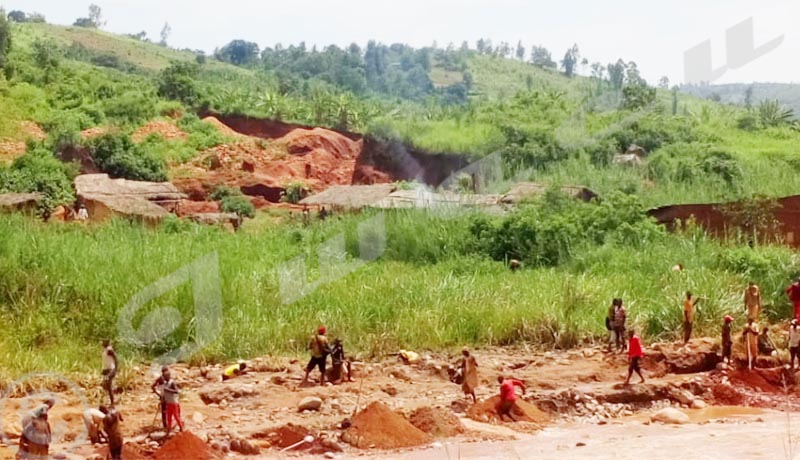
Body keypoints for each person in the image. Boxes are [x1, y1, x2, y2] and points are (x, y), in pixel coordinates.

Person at [151, 366, 170, 430]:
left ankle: (167, 424)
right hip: (165, 397)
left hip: (167, 396)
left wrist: (157, 393)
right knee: (165, 411)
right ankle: (166, 425)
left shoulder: (167, 378)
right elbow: (153, 386)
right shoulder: (161, 379)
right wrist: (158, 394)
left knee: (168, 411)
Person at [101, 339, 118, 406]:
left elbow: (116, 359)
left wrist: (115, 369)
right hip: (107, 370)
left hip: (110, 370)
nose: (102, 343)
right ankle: (110, 402)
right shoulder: (105, 350)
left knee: (109, 386)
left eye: (103, 342)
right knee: (106, 386)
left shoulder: (109, 350)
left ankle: (112, 403)